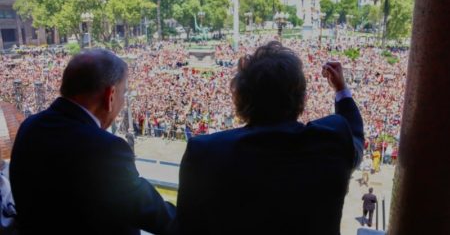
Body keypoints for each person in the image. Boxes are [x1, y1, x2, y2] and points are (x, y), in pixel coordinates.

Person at [175, 41, 364, 234]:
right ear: (302, 99)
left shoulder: (205, 153)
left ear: (239, 98)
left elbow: (187, 225)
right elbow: (355, 136)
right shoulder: (332, 141)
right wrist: (341, 90)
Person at [10, 49, 175, 234]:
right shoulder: (104, 149)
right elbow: (152, 214)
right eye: (123, 93)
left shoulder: (29, 127)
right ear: (110, 96)